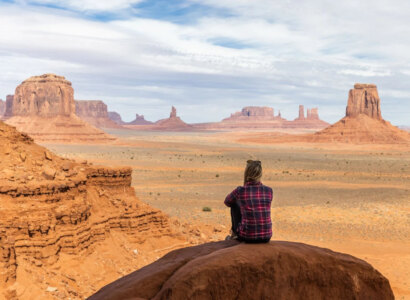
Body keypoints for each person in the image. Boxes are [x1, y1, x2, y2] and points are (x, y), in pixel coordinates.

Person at [224, 160, 273, 243]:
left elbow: (227, 202)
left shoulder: (240, 190)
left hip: (247, 236)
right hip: (266, 236)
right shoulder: (269, 190)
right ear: (260, 174)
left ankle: (234, 234)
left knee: (234, 204)